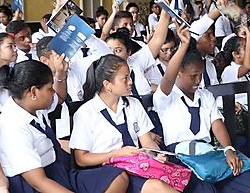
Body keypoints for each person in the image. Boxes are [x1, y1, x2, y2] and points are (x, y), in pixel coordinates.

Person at [153, 19, 250, 192]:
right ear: (179, 73)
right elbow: (167, 78)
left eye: (201, 75)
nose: (198, 80)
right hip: (180, 157)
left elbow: (217, 124)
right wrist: (183, 46)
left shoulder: (205, 96)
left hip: (207, 153)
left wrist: (228, 149)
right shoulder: (166, 97)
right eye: (193, 76)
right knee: (206, 189)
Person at [0, 60, 129, 193]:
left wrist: (60, 75)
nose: (53, 92)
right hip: (36, 184)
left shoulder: (31, 104)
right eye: (50, 88)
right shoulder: (12, 127)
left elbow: (60, 98)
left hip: (59, 170)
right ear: (33, 92)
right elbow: (39, 182)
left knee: (117, 177)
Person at [70, 54, 177, 192]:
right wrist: (117, 154)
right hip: (103, 172)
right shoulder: (86, 113)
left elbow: (147, 142)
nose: (130, 82)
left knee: (160, 187)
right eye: (125, 78)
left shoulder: (134, 104)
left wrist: (156, 155)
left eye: (130, 76)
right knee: (154, 187)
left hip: (134, 166)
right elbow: (81, 159)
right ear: (107, 85)